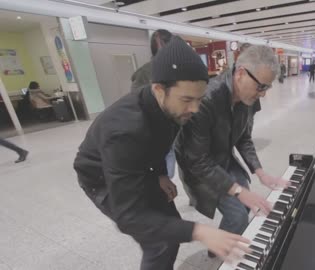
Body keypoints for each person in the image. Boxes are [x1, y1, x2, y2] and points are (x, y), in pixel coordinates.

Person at [74, 37, 250, 270]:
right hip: (101, 178)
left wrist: (159, 174)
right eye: (187, 99)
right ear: (158, 89)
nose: (194, 109)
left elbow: (158, 142)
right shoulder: (124, 130)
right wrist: (200, 231)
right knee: (158, 242)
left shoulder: (172, 107)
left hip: (142, 167)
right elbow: (130, 217)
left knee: (170, 230)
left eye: (199, 99)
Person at [175, 45, 289, 258]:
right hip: (201, 167)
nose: (263, 94)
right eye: (261, 87)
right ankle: (218, 251)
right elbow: (197, 160)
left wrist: (260, 172)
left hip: (224, 159)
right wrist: (238, 191)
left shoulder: (248, 99)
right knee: (238, 213)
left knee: (245, 205)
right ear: (240, 74)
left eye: (267, 88)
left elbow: (244, 138)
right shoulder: (206, 101)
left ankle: (220, 242)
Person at [131, 29, 176, 179]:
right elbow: (135, 103)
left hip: (180, 127)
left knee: (185, 167)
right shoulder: (143, 73)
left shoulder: (179, 67)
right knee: (165, 168)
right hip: (159, 128)